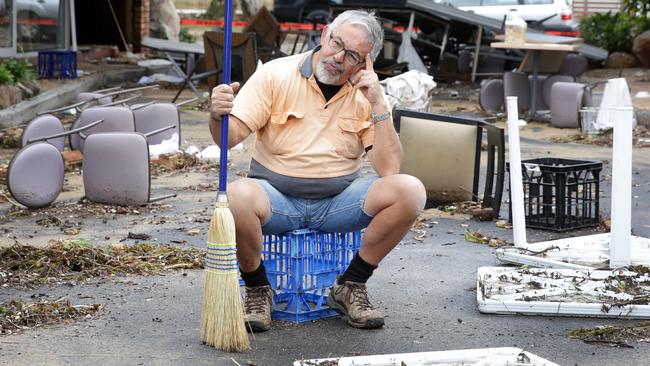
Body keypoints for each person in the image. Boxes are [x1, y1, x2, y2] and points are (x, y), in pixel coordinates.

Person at [209, 9, 426, 332]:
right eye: (336, 43)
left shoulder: (366, 93)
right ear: (324, 35)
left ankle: (350, 285)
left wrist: (379, 104)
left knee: (410, 190)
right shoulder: (275, 74)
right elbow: (228, 138)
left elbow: (389, 168)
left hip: (338, 203)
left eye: (352, 55)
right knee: (238, 196)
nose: (338, 57)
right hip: (275, 200)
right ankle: (257, 289)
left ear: (365, 63)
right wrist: (217, 114)